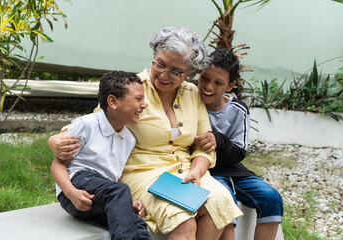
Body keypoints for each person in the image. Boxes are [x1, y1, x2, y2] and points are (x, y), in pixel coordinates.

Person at [48, 27, 243, 240]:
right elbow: (100, 119)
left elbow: (204, 146)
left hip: (188, 172)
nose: (163, 74)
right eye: (160, 63)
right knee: (182, 219)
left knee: (218, 204)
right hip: (143, 173)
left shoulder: (192, 94)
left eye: (176, 71)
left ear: (190, 73)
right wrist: (56, 140)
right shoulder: (132, 88)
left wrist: (197, 171)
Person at [50, 71, 152, 240]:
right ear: (113, 101)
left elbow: (111, 184)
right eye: (138, 99)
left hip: (101, 196)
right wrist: (71, 193)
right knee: (119, 190)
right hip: (76, 187)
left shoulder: (129, 139)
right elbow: (57, 164)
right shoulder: (86, 125)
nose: (144, 104)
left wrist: (125, 204)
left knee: (137, 223)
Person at [194, 48, 284, 240]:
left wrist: (218, 140)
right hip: (206, 172)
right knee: (225, 199)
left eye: (218, 83)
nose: (208, 87)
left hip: (234, 170)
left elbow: (239, 152)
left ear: (230, 85)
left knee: (272, 197)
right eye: (205, 78)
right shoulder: (189, 100)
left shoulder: (238, 110)